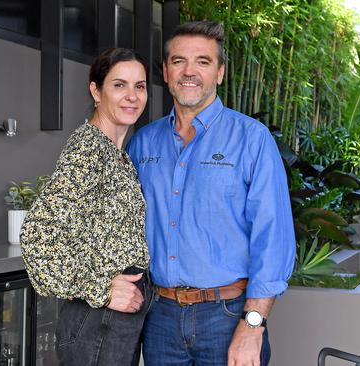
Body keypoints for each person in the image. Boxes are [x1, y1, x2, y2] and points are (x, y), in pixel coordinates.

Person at [126, 21, 296, 366]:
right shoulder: (144, 143)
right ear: (165, 71)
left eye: (202, 62)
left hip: (228, 315)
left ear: (219, 72)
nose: (189, 72)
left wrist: (253, 324)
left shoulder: (252, 139)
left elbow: (273, 238)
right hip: (160, 317)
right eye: (178, 61)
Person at [19, 48, 152, 365]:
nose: (132, 96)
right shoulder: (89, 147)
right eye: (119, 85)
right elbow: (37, 235)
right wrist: (99, 289)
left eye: (140, 86)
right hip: (99, 320)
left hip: (114, 319)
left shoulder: (117, 153)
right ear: (96, 90)